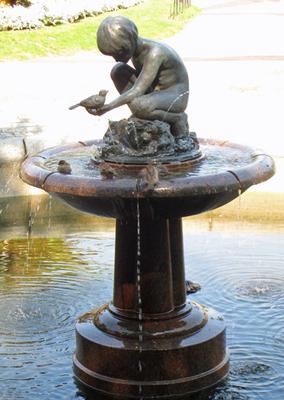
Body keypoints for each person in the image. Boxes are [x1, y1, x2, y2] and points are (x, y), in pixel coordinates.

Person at [87, 16, 190, 139]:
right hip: (153, 92)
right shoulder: (135, 50)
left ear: (129, 42)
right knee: (118, 70)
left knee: (139, 105)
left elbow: (138, 90)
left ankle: (177, 118)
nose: (116, 59)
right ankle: (142, 114)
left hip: (174, 96)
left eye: (119, 53)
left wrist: (109, 106)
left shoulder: (155, 53)